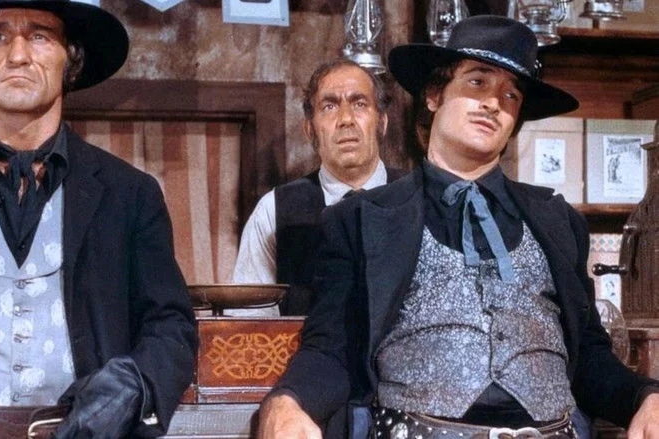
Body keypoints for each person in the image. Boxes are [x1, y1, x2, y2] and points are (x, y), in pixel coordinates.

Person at [257, 15, 659, 439]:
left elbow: (590, 357)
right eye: (477, 82)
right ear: (434, 95)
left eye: (510, 94)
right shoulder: (360, 219)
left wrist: (645, 396)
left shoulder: (558, 221)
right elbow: (330, 349)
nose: (493, 103)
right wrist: (288, 402)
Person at [0, 1, 197, 437]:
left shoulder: (130, 194)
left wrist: (133, 386)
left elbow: (172, 326)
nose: (17, 55)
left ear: (71, 58)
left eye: (40, 36)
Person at [232, 58, 403, 315]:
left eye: (359, 103)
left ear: (382, 123)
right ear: (309, 130)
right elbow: (251, 322)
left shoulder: (420, 199)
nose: (346, 119)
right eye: (329, 106)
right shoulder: (273, 211)